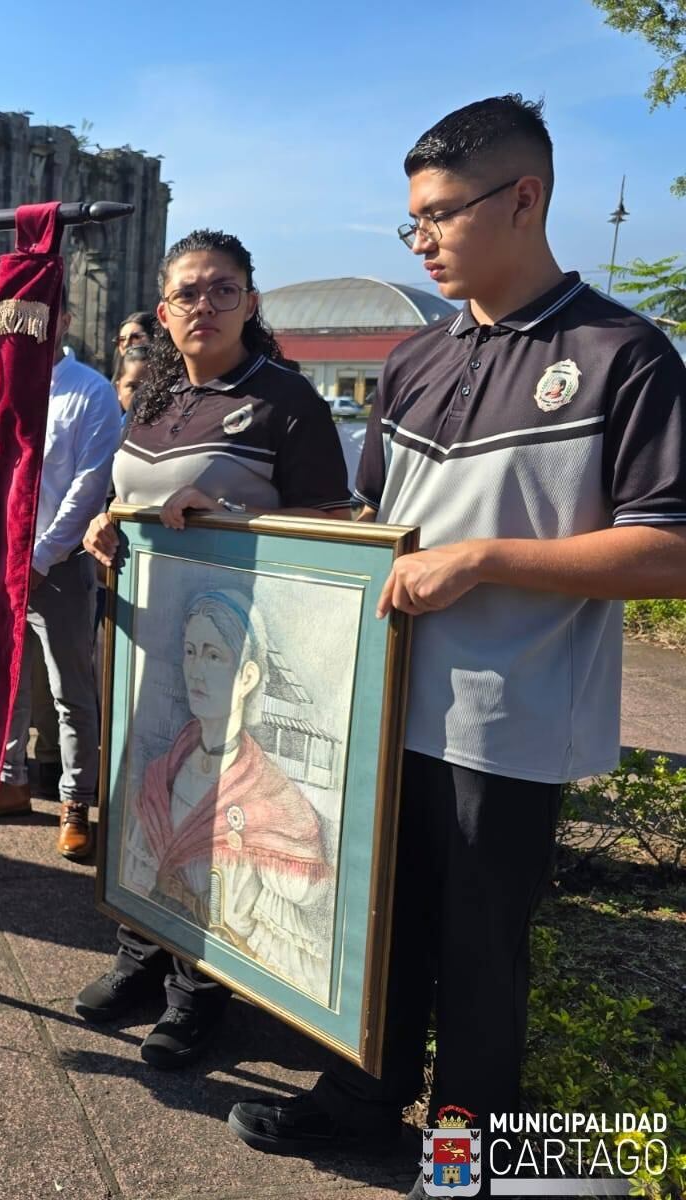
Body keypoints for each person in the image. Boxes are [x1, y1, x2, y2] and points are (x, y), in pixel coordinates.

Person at [223, 98, 686, 1197]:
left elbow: (669, 549)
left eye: (438, 215)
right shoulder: (418, 357)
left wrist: (481, 560)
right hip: (382, 704)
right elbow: (368, 528)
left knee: (481, 965)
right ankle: (360, 1103)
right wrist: (214, 529)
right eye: (411, 223)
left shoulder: (622, 354)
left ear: (523, 199)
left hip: (504, 723)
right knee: (376, 932)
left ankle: (467, 1163)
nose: (420, 239)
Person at [74, 228, 352, 1071]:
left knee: (219, 818)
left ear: (251, 301)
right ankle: (140, 957)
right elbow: (130, 502)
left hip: (227, 659)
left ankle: (201, 992)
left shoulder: (284, 402)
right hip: (136, 636)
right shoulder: (154, 399)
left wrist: (228, 520)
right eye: (189, 293)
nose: (206, 305)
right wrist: (103, 524)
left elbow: (335, 536)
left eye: (223, 289)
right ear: (164, 312)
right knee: (143, 794)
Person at [126, 590, 332, 1000]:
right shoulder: (162, 773)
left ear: (249, 677)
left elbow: (305, 899)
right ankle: (137, 955)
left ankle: (194, 997)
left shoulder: (272, 799)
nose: (195, 671)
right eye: (190, 652)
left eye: (213, 655)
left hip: (224, 954)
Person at [0, 306, 121, 860]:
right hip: (1, 564)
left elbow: (89, 487)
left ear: (66, 316)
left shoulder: (89, 392)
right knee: (7, 684)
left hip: (61, 566)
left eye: (43, 311)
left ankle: (76, 800)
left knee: (71, 690)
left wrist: (42, 557)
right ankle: (10, 781)